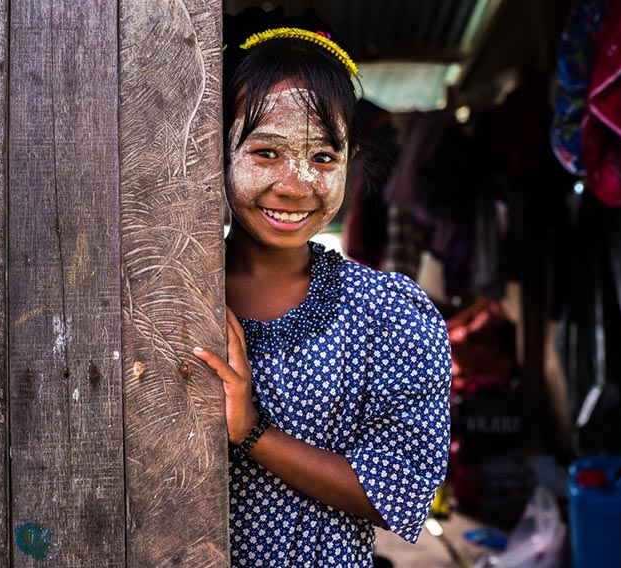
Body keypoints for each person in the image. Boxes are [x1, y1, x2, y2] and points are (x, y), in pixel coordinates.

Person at [193, 9, 452, 567]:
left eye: (322, 157)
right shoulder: (167, 302)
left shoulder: (387, 315)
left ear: (350, 162)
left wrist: (253, 431)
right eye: (266, 152)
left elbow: (401, 492)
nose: (296, 185)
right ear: (216, 151)